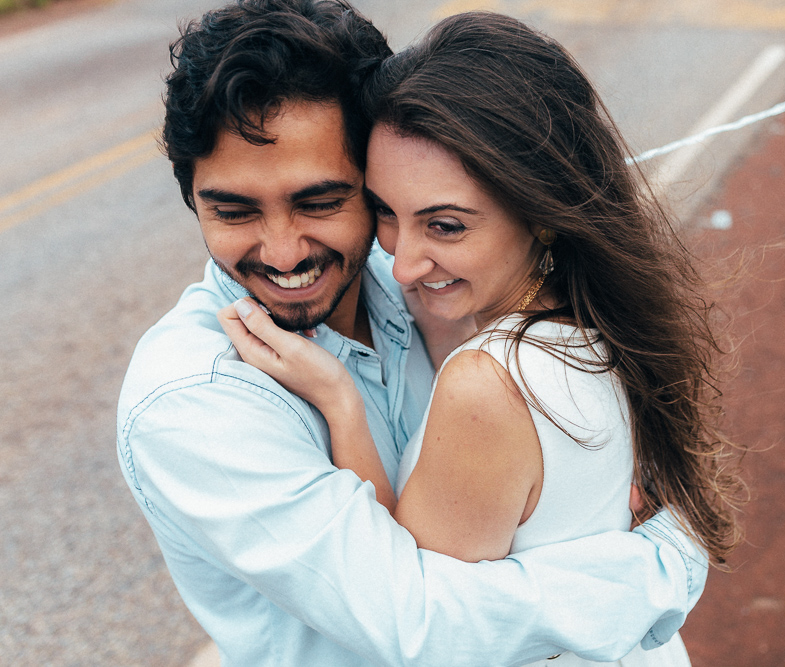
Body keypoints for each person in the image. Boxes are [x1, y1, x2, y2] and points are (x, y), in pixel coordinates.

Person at [116, 1, 717, 665]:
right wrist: (659, 566)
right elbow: (420, 626)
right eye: (233, 210)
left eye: (322, 203)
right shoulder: (195, 402)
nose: (283, 253)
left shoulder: (430, 274)